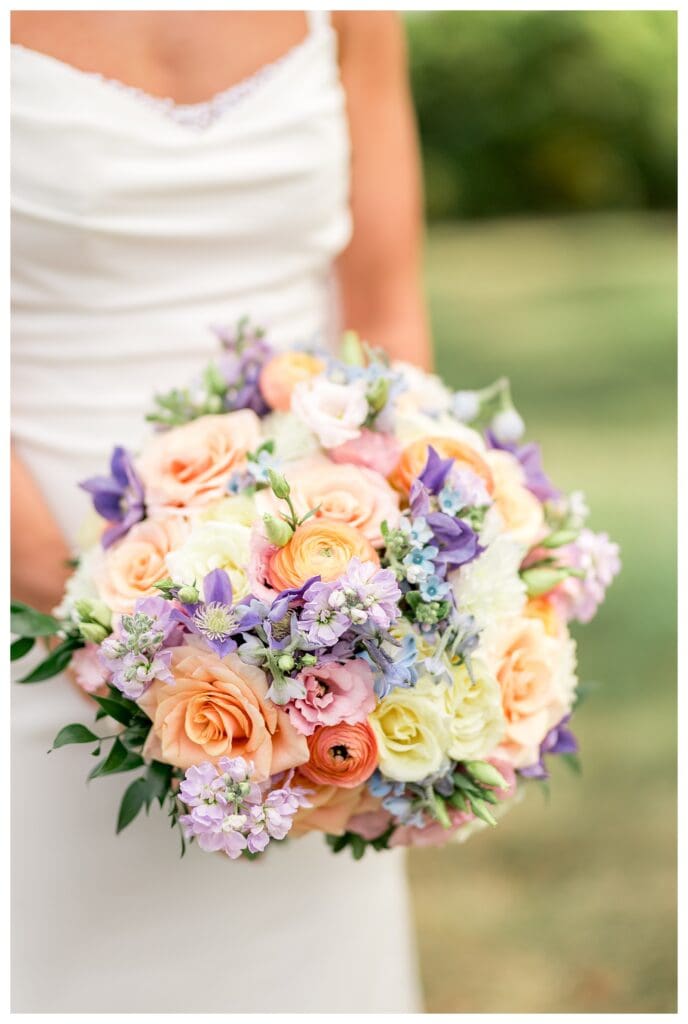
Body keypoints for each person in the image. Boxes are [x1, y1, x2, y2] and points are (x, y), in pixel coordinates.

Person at [11, 11, 430, 1013]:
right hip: (29, 605)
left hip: (310, 608)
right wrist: (124, 621)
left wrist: (387, 574)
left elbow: (383, 297)